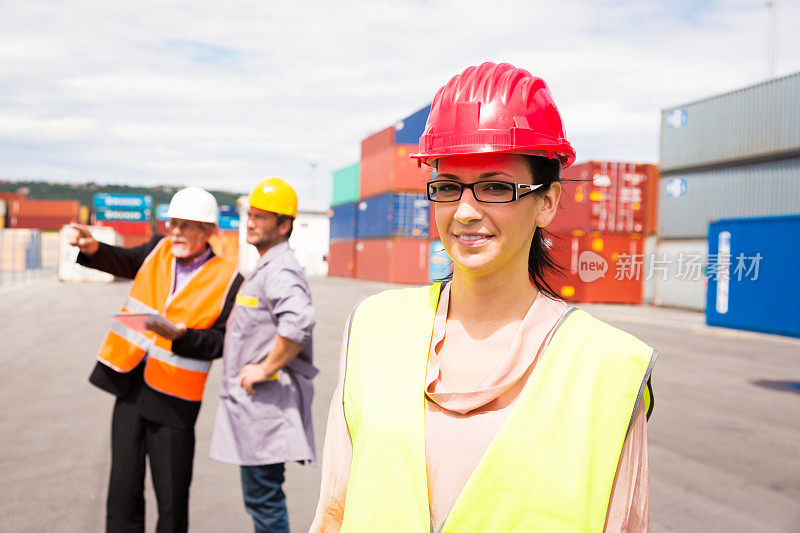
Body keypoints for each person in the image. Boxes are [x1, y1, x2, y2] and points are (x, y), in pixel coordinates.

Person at [311, 62, 656, 532]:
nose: (466, 212)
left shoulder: (609, 368)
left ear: (548, 202)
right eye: (448, 187)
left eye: (495, 187)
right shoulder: (373, 329)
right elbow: (335, 507)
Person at [70, 186, 242, 533]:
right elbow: (124, 261)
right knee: (123, 491)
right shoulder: (157, 250)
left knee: (172, 502)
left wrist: (184, 338)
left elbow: (223, 342)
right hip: (130, 385)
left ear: (209, 230)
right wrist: (93, 249)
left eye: (186, 225)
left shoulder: (229, 279)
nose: (175, 231)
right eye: (173, 223)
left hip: (175, 401)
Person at [208, 177, 317, 533]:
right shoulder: (267, 266)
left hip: (266, 408)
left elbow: (298, 323)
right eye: (249, 215)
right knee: (261, 499)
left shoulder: (281, 269)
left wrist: (265, 368)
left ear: (284, 225)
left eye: (261, 217)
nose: (250, 222)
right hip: (258, 410)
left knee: (264, 501)